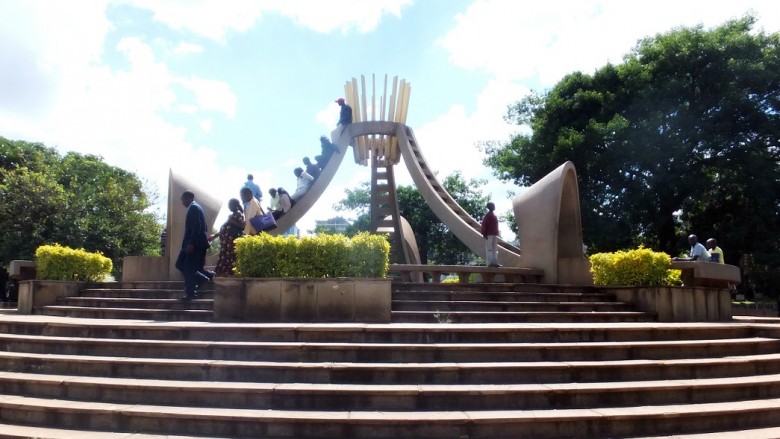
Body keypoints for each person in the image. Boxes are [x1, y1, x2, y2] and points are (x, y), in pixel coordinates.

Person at [176, 191, 212, 299]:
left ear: (189, 198)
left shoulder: (194, 208)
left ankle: (191, 293)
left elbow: (198, 227)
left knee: (188, 268)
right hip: (195, 243)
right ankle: (203, 278)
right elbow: (204, 226)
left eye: (183, 199)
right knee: (180, 264)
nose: (182, 202)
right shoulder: (195, 208)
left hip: (194, 244)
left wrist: (192, 243)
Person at [211, 198, 245, 277]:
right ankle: (222, 273)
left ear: (235, 205)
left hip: (231, 241)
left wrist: (232, 221)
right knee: (224, 258)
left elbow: (242, 226)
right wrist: (215, 236)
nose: (229, 207)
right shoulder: (232, 215)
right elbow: (226, 227)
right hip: (226, 242)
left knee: (230, 258)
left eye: (230, 205)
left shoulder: (239, 214)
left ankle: (228, 273)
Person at [480, 202, 501, 267]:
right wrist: (484, 234)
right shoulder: (488, 215)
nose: (494, 207)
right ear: (490, 207)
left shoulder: (494, 215)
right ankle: (489, 263)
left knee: (495, 249)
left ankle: (495, 262)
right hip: (489, 235)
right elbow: (484, 225)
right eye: (493, 206)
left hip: (495, 234)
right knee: (489, 249)